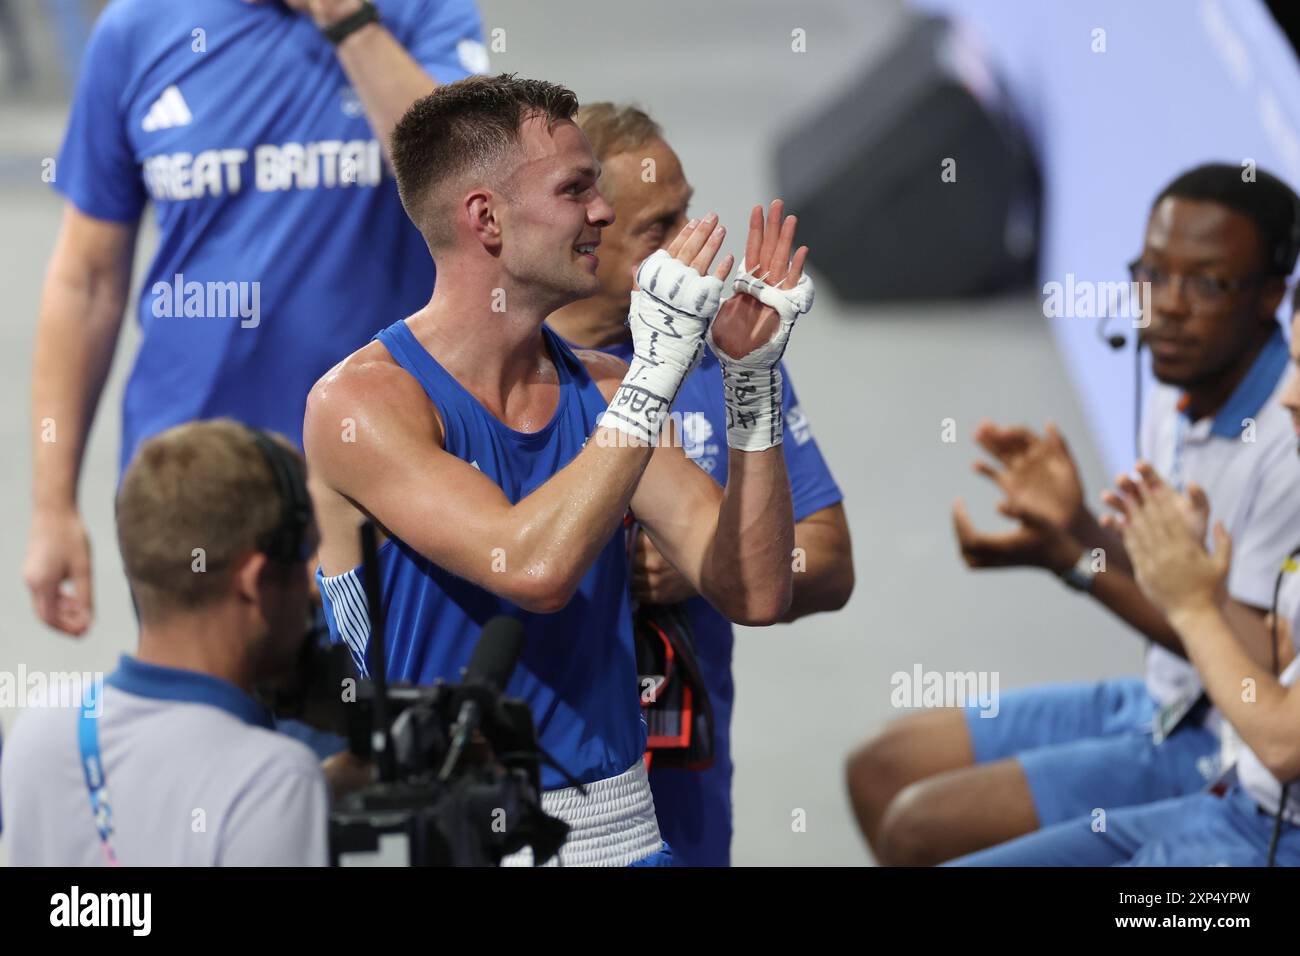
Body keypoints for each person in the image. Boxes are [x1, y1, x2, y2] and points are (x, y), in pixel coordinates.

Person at [306, 74, 814, 866]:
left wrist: (752, 381)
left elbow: (754, 588)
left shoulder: (606, 391)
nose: (602, 213)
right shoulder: (364, 405)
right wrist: (659, 367)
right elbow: (532, 566)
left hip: (627, 838)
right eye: (577, 190)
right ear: (487, 218)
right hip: (451, 841)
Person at [847, 163, 1300, 865]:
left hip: (1215, 739)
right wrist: (1078, 531)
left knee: (919, 828)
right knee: (880, 771)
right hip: (1167, 702)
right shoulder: (1179, 381)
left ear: (1271, 294)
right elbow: (1195, 596)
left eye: (1206, 283)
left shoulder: (1283, 446)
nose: (1167, 306)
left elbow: (1249, 668)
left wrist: (1076, 562)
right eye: (1153, 274)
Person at [24, 0, 486, 637]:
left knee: (376, 727)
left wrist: (348, 22)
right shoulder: (136, 28)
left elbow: (469, 180)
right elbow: (86, 281)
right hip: (192, 486)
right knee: (204, 730)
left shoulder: (419, 12)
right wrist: (52, 506)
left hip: (387, 471)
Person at [545, 102, 853, 866]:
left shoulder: (729, 354)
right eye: (660, 227)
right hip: (543, 788)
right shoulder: (508, 375)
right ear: (586, 227)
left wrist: (707, 568)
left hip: (686, 789)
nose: (696, 247)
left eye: (688, 212)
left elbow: (829, 561)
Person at [2, 420, 330, 866]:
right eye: (305, 557)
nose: (315, 586)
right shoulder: (277, 779)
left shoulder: (37, 734)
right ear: (255, 581)